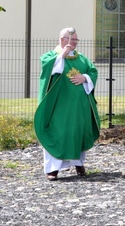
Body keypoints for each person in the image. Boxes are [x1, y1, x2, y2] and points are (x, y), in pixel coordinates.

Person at [34, 27, 100, 181]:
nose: (74, 43)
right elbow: (48, 71)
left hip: (79, 107)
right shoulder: (50, 56)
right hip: (58, 106)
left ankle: (79, 163)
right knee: (57, 133)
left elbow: (93, 72)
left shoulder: (82, 59)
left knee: (78, 132)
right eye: (72, 40)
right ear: (62, 39)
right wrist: (61, 56)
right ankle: (53, 169)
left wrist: (85, 78)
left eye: (76, 40)